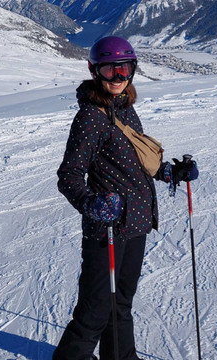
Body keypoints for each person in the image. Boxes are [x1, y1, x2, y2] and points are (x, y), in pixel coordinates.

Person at [54, 36, 198, 360]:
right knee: (95, 310)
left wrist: (172, 173)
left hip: (135, 225)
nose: (118, 77)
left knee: (121, 304)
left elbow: (138, 163)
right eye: (109, 69)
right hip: (106, 231)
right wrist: (91, 203)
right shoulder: (91, 117)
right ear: (94, 71)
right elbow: (69, 176)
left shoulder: (126, 109)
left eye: (124, 69)